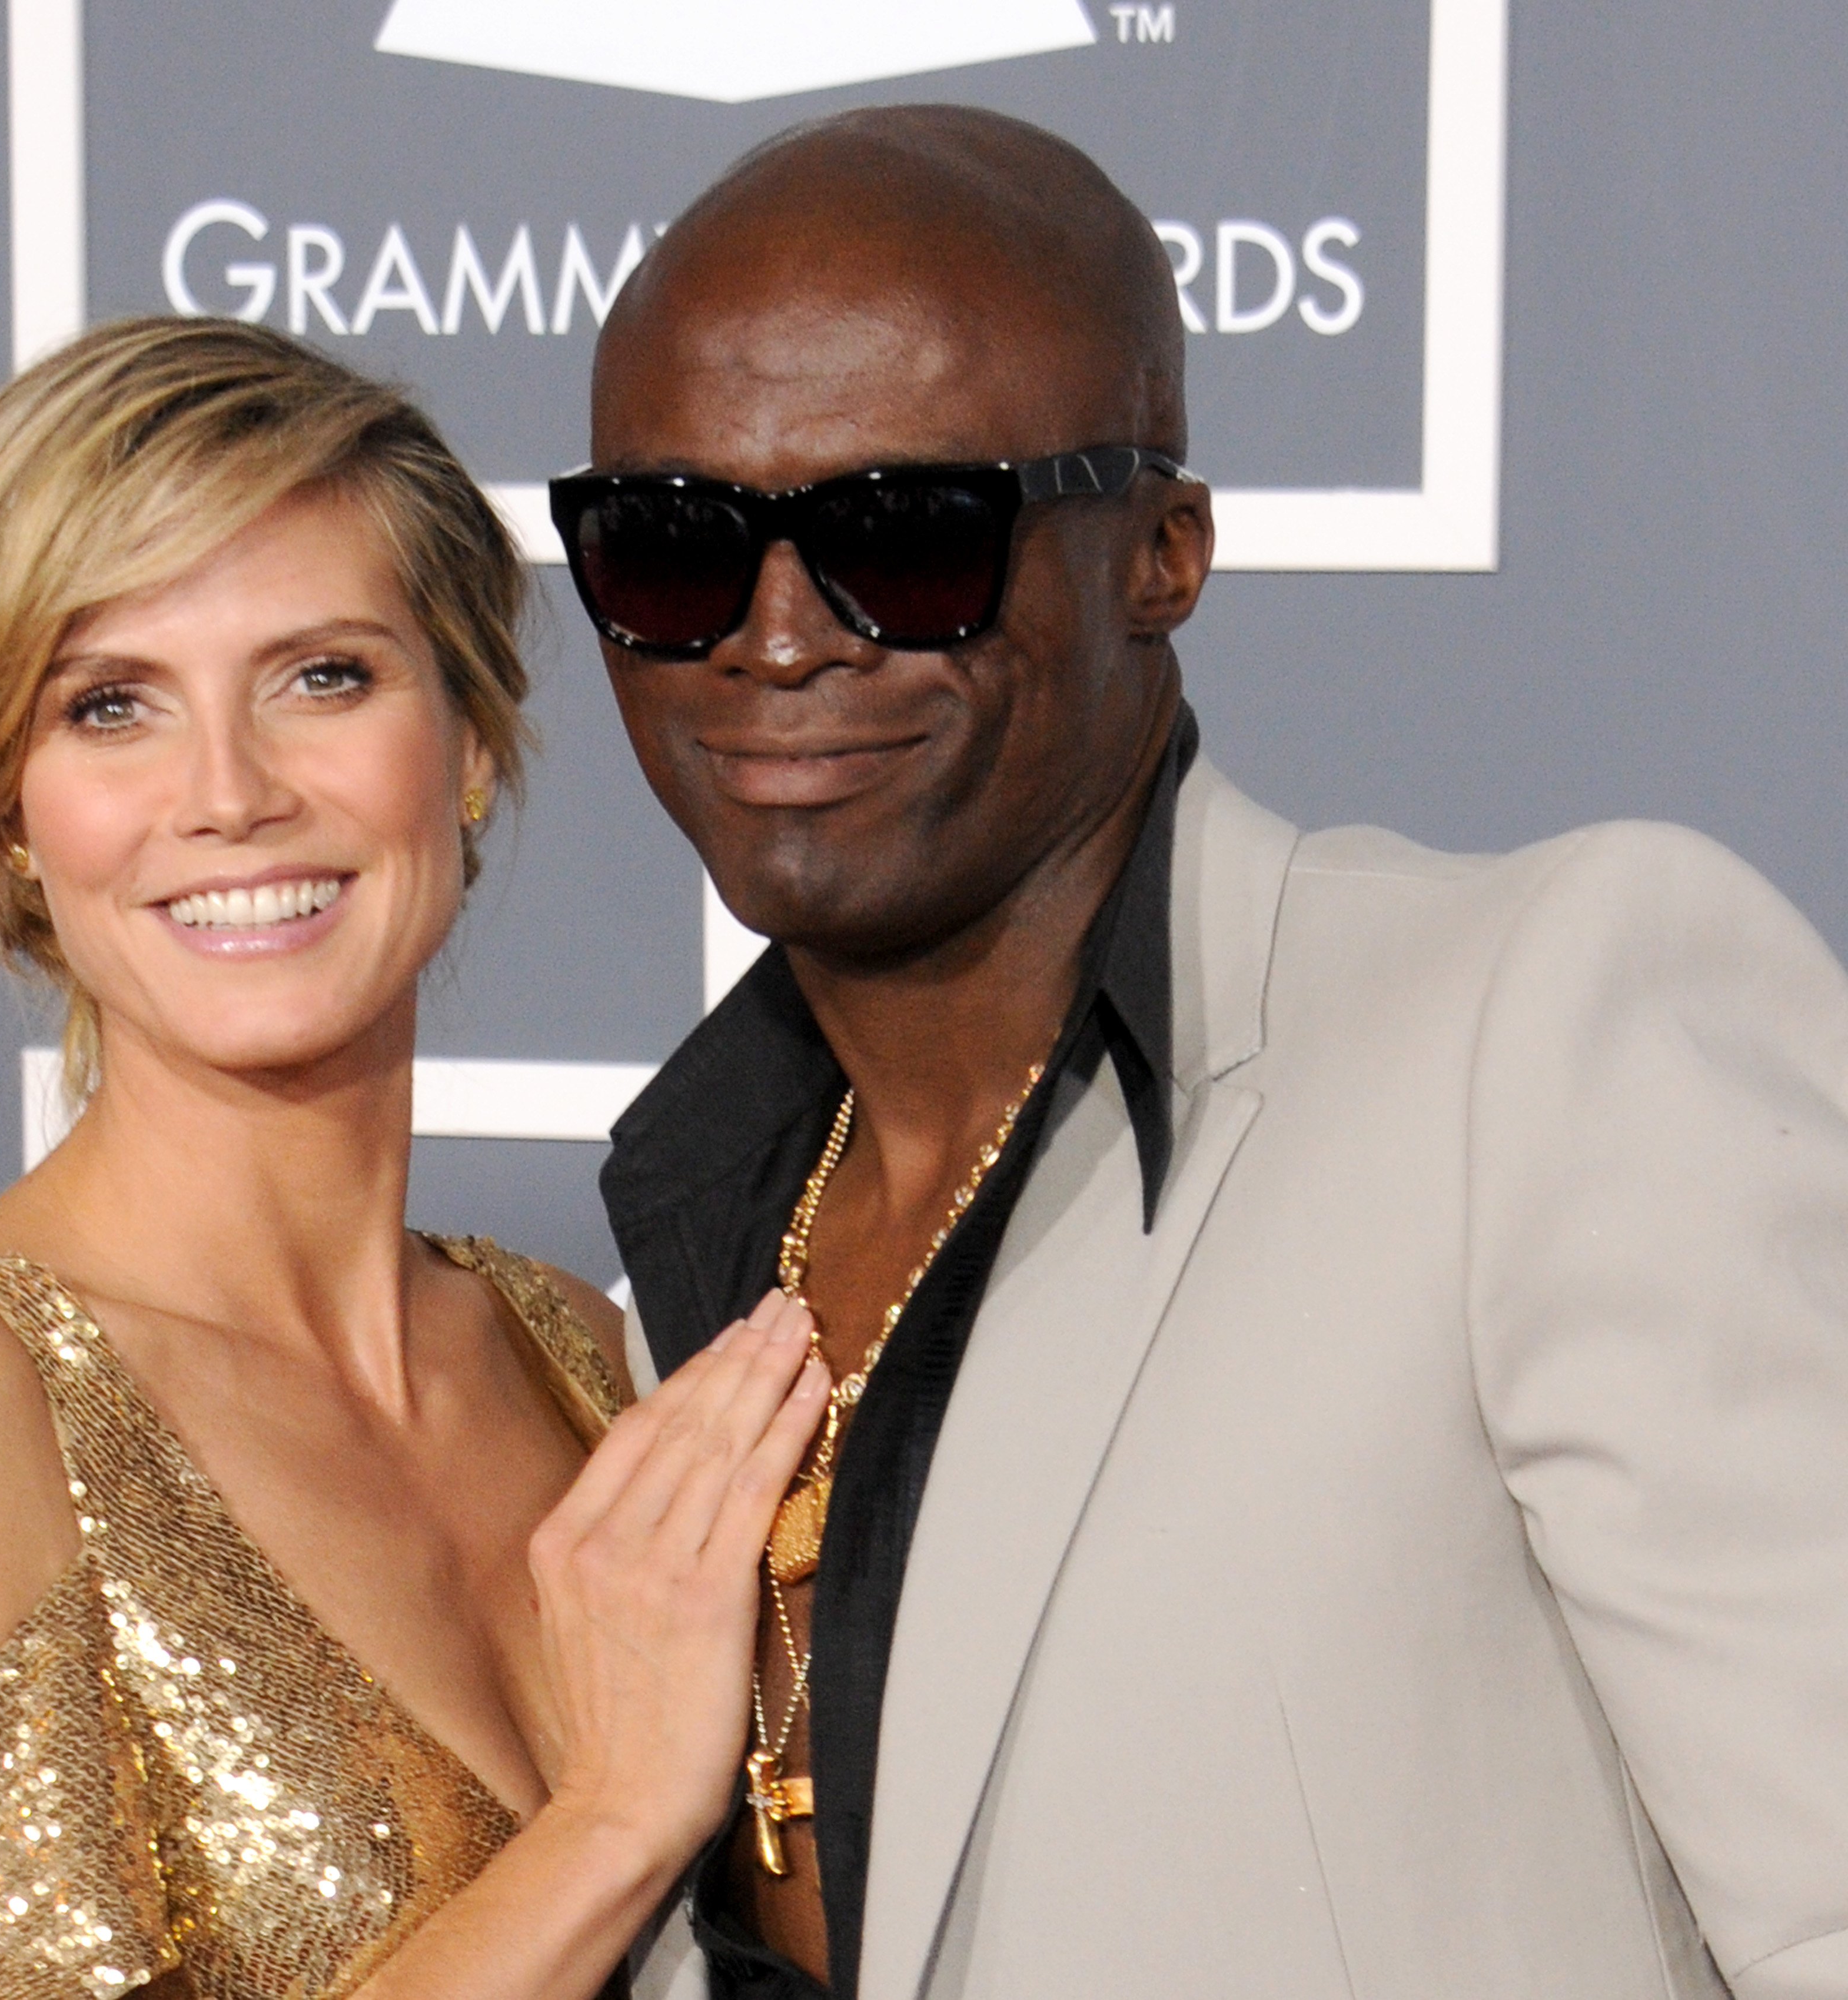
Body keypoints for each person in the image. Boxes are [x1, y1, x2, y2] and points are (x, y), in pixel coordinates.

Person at [552, 106, 1848, 1998]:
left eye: (905, 541)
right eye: (671, 552)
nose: (774, 640)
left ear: (1163, 553)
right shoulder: (658, 1293)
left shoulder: (1535, 1032)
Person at [0, 317, 830, 2000]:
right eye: (113, 708)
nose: (231, 793)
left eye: (323, 676)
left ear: (466, 743)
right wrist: (613, 1821)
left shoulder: (574, 1353)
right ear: (11, 821)